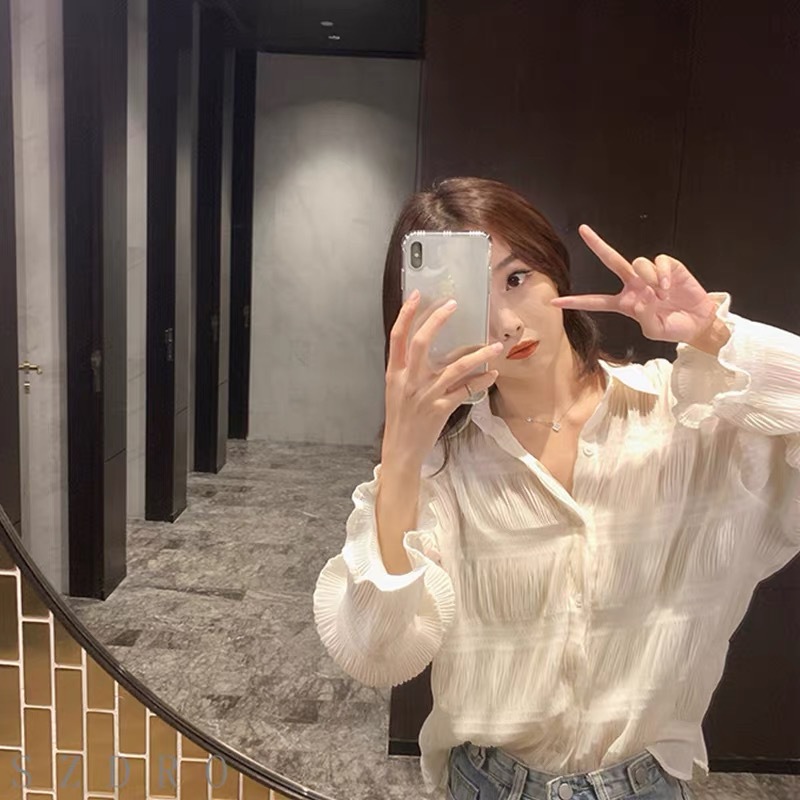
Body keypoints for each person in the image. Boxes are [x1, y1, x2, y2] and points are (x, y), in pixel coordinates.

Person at [313, 177, 800, 800]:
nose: (506, 323)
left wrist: (714, 333)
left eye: (517, 278)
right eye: (468, 298)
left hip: (647, 784)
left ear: (554, 269)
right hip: (489, 784)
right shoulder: (443, 465)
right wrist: (402, 457)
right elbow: (379, 652)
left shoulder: (685, 416)